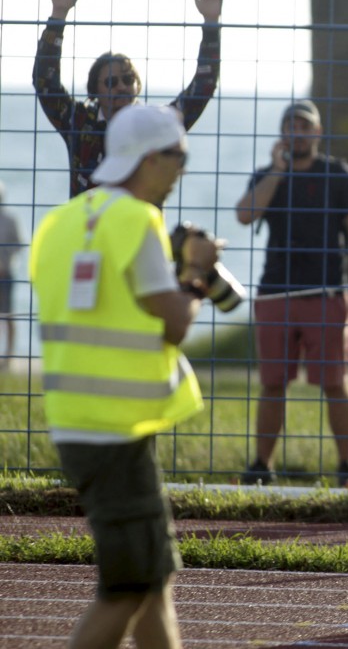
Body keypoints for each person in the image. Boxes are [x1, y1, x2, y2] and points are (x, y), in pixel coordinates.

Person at [29, 104, 220, 649]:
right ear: (151, 158)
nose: (182, 166)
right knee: (128, 587)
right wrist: (198, 272)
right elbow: (176, 322)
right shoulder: (137, 219)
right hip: (116, 432)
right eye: (178, 155)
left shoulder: (61, 221)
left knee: (153, 580)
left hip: (82, 424)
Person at [235, 100, 348, 489]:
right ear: (283, 133)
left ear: (316, 132)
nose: (296, 133)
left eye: (304, 126)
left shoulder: (338, 175)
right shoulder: (268, 175)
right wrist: (278, 171)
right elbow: (245, 214)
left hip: (326, 294)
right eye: (290, 126)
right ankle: (261, 466)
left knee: (335, 381)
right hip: (274, 294)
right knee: (271, 383)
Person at [33, 0, 224, 197]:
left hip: (141, 227)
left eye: (128, 78)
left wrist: (211, 22)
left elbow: (202, 88)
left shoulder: (156, 125)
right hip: (91, 226)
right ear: (95, 91)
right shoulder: (78, 121)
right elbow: (44, 81)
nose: (122, 87)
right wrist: (59, 13)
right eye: (112, 82)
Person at [0, 183, 22, 368]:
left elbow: (18, 244)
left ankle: (8, 356)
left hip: (5, 273)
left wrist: (5, 261)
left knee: (8, 314)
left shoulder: (10, 219)